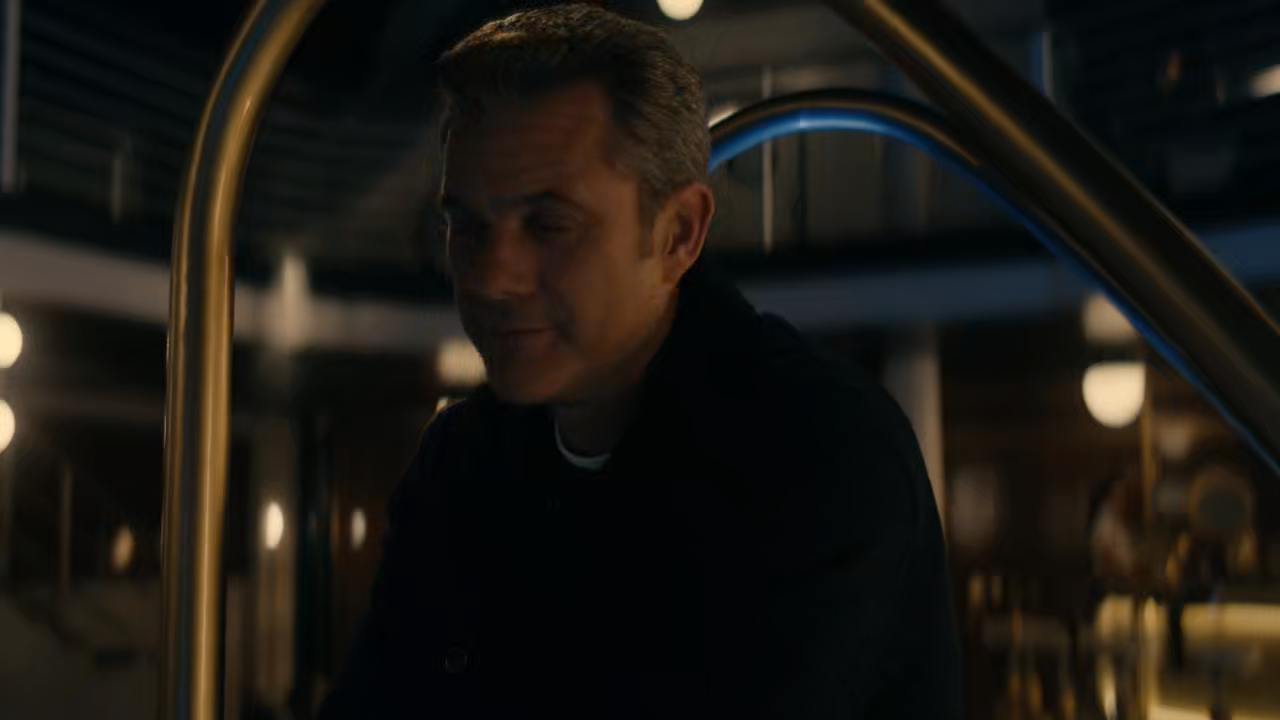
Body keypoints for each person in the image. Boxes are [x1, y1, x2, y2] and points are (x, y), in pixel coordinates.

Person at [318, 5, 959, 718]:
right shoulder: (463, 463)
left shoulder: (821, 457)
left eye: (549, 224)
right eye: (466, 225)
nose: (492, 277)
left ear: (679, 233)